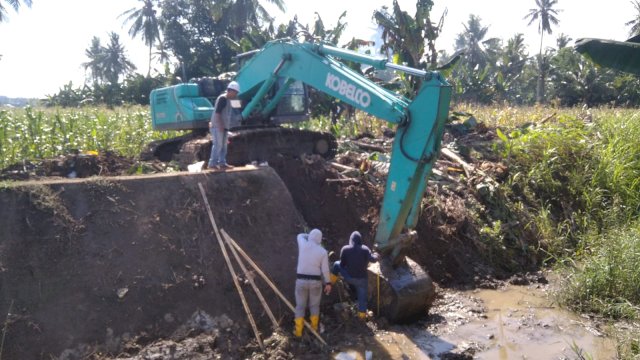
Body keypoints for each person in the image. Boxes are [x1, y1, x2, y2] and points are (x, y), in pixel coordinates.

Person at [330, 231, 379, 319]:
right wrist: (376, 255)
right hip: (361, 280)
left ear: (351, 240)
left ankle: (331, 282)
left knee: (336, 264)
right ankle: (362, 317)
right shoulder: (365, 249)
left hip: (348, 277)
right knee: (362, 299)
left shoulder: (345, 249)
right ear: (360, 240)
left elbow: (342, 264)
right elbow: (373, 260)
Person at [294, 228, 332, 337]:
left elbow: (300, 235)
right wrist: (328, 283)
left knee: (300, 306)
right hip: (315, 282)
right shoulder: (322, 252)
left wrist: (308, 235)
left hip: (301, 280)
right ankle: (314, 328)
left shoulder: (302, 243)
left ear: (310, 236)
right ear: (320, 239)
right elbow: (325, 269)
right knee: (314, 306)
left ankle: (298, 332)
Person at [207, 81, 241, 170]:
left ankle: (222, 163)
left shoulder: (230, 100)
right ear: (230, 91)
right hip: (218, 125)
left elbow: (239, 106)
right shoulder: (223, 99)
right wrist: (220, 125)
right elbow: (217, 113)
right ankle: (212, 164)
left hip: (225, 126)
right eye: (235, 92)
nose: (236, 94)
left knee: (224, 146)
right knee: (218, 145)